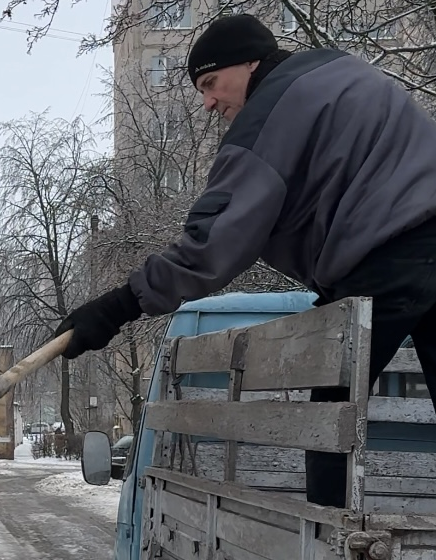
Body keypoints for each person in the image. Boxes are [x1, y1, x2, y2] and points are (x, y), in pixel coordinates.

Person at [55, 13, 436, 509]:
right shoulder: (342, 70)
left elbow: (213, 242)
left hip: (389, 258)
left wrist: (117, 306)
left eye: (213, 83)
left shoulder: (270, 113)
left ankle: (325, 537)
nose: (211, 102)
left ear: (251, 63)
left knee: (330, 417)